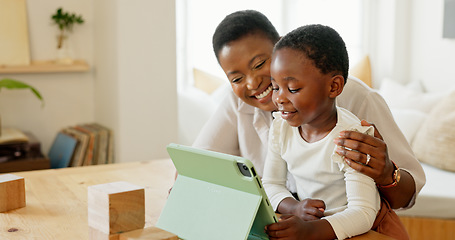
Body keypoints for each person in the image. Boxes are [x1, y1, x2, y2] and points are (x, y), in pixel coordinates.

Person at [193, 10, 425, 213]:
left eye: (259, 64)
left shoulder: (356, 97)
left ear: (281, 46)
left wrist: (386, 174)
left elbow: (407, 196)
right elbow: (196, 163)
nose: (253, 83)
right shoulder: (238, 102)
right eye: (236, 78)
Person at [261, 24, 408, 240]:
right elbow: (271, 183)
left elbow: (363, 213)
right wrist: (295, 208)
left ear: (334, 87)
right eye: (275, 87)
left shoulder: (352, 138)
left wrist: (310, 231)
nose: (279, 98)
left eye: (292, 89)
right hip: (319, 226)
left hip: (369, 228)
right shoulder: (281, 127)